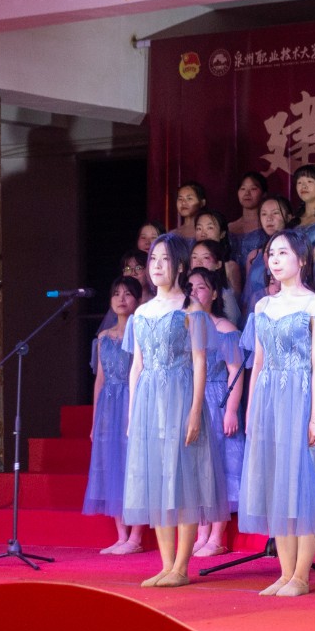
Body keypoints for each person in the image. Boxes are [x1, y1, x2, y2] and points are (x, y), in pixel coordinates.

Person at [238, 230, 315, 596]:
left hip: (301, 397)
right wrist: (251, 410)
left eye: (283, 253)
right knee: (277, 484)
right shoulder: (262, 306)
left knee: (304, 484)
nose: (275, 259)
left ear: (301, 260)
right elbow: (258, 363)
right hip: (269, 399)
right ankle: (284, 573)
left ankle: (301, 575)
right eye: (272, 253)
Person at [123, 234, 224, 589]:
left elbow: (200, 362)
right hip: (149, 402)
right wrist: (132, 413)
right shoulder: (141, 312)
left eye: (165, 259)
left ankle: (181, 566)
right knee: (158, 481)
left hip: (180, 397)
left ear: (179, 266)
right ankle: (166, 565)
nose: (157, 266)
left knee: (183, 483)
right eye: (153, 259)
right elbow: (136, 366)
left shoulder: (190, 309)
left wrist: (195, 411)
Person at [84, 277, 145, 555]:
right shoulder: (103, 338)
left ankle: (136, 536)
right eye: (116, 293)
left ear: (138, 300)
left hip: (133, 401)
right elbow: (100, 379)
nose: (121, 299)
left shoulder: (141, 332)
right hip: (109, 405)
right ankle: (122, 535)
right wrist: (95, 420)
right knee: (111, 466)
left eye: (128, 294)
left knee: (134, 466)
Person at [185, 268, 244, 557]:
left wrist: (231, 409)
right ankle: (201, 532)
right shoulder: (186, 324)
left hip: (218, 399)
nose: (194, 293)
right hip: (195, 400)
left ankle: (217, 536)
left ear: (215, 293)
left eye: (201, 287)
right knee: (199, 468)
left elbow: (236, 372)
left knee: (221, 466)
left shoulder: (225, 328)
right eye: (190, 287)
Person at [190, 239, 242, 325]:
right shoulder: (185, 289)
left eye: (206, 258)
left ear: (218, 264)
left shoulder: (225, 295)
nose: (198, 262)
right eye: (194, 257)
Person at [193, 211, 243, 299]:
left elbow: (237, 299)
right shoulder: (192, 263)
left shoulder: (230, 267)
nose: (203, 234)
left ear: (222, 234)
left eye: (210, 228)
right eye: (199, 228)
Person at [229, 172, 270, 272]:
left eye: (253, 189)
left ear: (264, 194)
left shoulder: (268, 226)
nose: (247, 193)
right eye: (243, 189)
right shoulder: (229, 227)